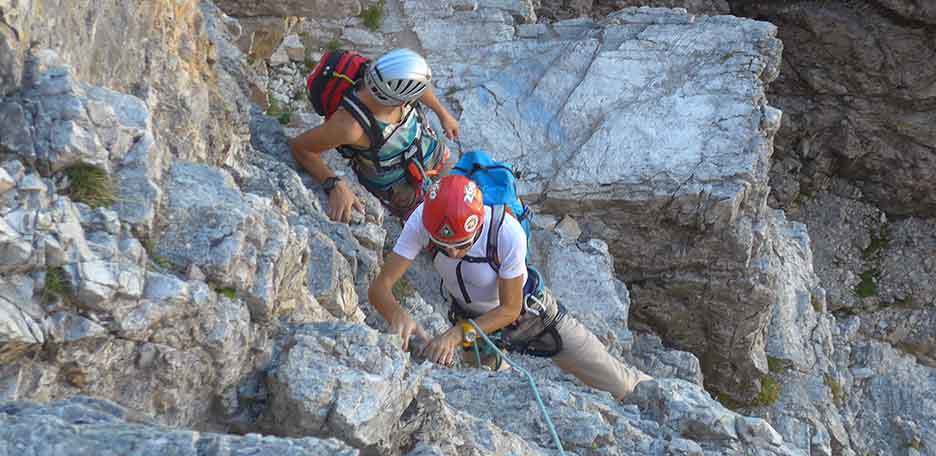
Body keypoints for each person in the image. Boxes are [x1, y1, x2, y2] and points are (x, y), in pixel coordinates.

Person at [368, 175, 652, 400]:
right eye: (444, 247)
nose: (453, 254)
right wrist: (396, 314)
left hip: (531, 316)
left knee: (618, 384)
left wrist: (455, 335)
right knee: (496, 389)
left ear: (477, 225)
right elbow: (380, 288)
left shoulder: (506, 232)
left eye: (463, 245)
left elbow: (509, 309)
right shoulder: (423, 221)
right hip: (472, 322)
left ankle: (655, 389)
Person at [289, 48, 460, 222]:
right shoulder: (350, 126)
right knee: (443, 223)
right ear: (401, 99)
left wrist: (443, 114)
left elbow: (420, 86)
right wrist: (333, 184)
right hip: (402, 189)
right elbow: (301, 148)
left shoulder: (386, 77)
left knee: (464, 198)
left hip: (432, 154)